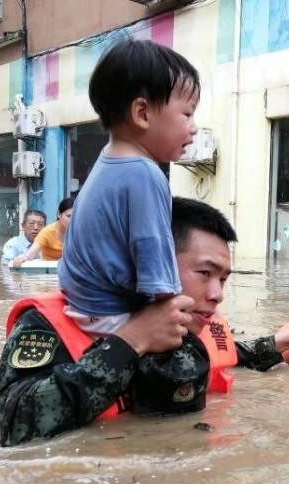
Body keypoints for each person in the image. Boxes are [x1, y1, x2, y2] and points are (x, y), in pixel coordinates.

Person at [0, 198, 289, 447]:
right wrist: (131, 341)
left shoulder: (195, 321)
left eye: (224, 279)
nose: (218, 294)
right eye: (205, 273)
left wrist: (280, 342)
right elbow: (10, 424)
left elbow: (230, 356)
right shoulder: (51, 323)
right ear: (150, 262)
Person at [57, 38, 200, 336]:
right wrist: (186, 312)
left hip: (83, 306)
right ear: (142, 114)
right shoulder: (145, 173)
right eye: (187, 113)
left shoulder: (108, 162)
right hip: (112, 316)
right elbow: (157, 270)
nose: (194, 126)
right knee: (192, 347)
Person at [10, 198, 73, 266]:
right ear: (59, 214)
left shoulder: (81, 232)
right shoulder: (47, 232)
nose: (73, 220)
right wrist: (22, 258)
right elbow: (30, 254)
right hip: (49, 271)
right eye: (69, 216)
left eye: (76, 216)